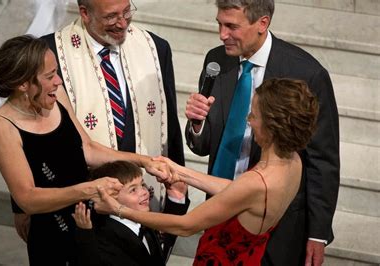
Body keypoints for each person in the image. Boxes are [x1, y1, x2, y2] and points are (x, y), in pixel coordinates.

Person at [12, 0, 186, 253]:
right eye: (111, 16)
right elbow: (27, 128)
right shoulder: (49, 52)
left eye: (127, 12)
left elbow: (168, 124)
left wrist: (177, 183)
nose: (123, 22)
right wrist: (20, 205)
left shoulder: (155, 47)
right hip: (76, 203)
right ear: (85, 13)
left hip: (139, 193)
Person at [0, 35, 172, 265]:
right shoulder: (3, 127)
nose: (58, 81)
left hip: (89, 220)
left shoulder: (55, 96)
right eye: (49, 76)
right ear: (23, 84)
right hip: (52, 232)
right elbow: (27, 198)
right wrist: (87, 190)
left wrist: (144, 161)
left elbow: (88, 149)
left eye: (56, 72)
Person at [95, 78, 320, 265]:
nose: (248, 120)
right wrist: (180, 171)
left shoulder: (257, 182)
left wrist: (119, 209)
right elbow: (236, 192)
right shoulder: (292, 162)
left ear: (272, 126)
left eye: (254, 115)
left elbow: (186, 226)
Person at [184, 1, 340, 265]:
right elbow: (204, 144)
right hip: (222, 210)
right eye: (219, 24)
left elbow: (323, 160)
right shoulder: (216, 59)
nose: (223, 35)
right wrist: (197, 124)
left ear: (262, 23)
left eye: (232, 26)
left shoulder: (307, 73)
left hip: (276, 224)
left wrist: (318, 233)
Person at [72, 160, 189, 265]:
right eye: (133, 190)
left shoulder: (146, 224)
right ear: (110, 198)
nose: (144, 192)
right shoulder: (104, 236)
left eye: (142, 185)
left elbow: (166, 241)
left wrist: (176, 199)